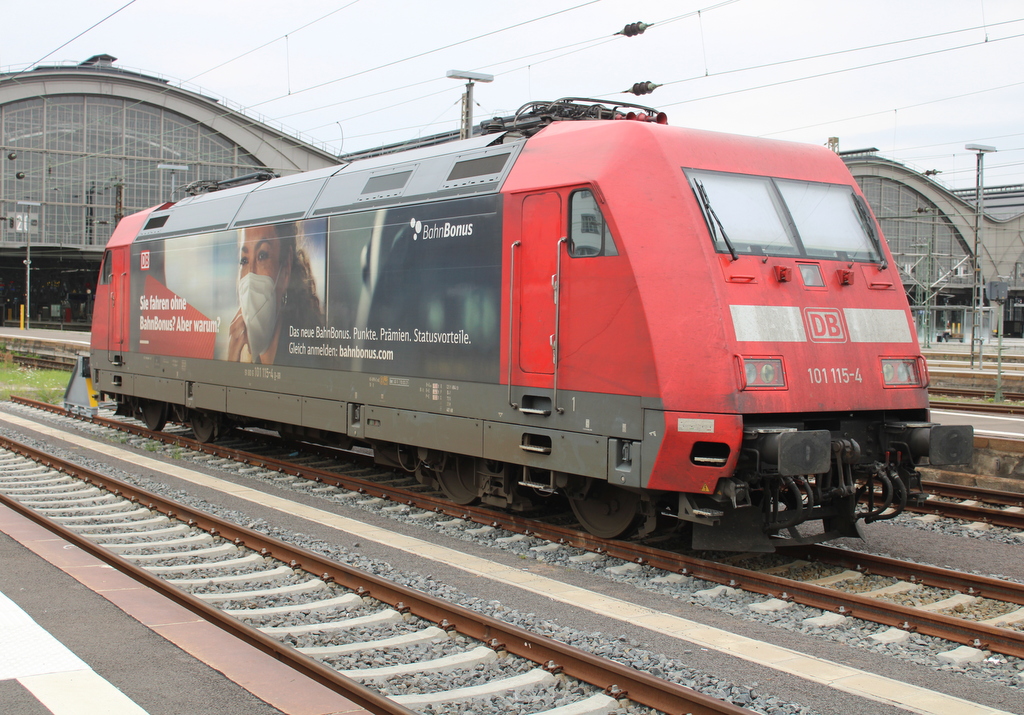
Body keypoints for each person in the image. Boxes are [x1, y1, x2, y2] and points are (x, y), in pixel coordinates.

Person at [227, 222, 323, 364]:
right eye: (244, 260)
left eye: (262, 256)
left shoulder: (304, 360)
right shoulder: (247, 360)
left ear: (285, 269)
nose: (250, 275)